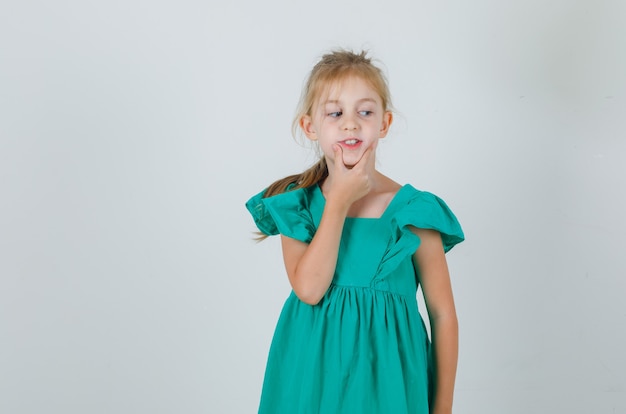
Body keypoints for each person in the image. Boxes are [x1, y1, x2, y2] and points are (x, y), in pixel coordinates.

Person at [246, 49, 464, 414]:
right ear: (310, 126)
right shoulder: (297, 207)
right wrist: (339, 202)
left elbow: (443, 314)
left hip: (389, 388)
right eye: (335, 113)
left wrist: (442, 409)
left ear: (384, 123)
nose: (350, 124)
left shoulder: (414, 212)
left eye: (364, 111)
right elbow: (310, 289)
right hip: (311, 384)